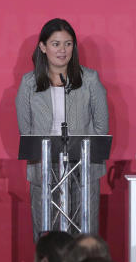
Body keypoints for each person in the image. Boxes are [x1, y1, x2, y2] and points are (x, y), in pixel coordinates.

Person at [16, 18, 109, 238]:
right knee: (48, 236)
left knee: (83, 238)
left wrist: (83, 156)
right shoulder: (28, 84)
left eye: (68, 44)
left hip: (82, 168)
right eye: (56, 44)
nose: (62, 50)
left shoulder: (90, 80)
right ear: (43, 47)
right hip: (45, 168)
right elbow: (26, 132)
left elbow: (101, 127)